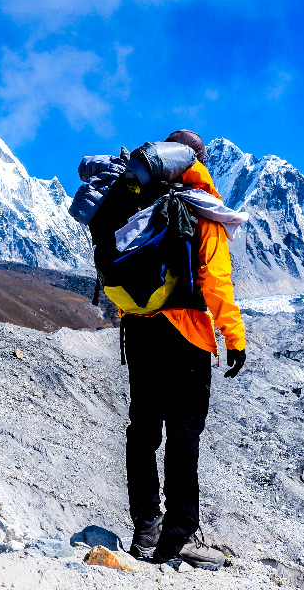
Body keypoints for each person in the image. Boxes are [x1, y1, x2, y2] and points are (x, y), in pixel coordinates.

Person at [122, 129, 246, 571]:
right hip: (188, 337)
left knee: (143, 432)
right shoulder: (200, 204)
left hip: (139, 333)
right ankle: (177, 538)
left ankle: (144, 528)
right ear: (196, 158)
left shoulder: (139, 200)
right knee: (183, 438)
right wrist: (234, 337)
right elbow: (216, 282)